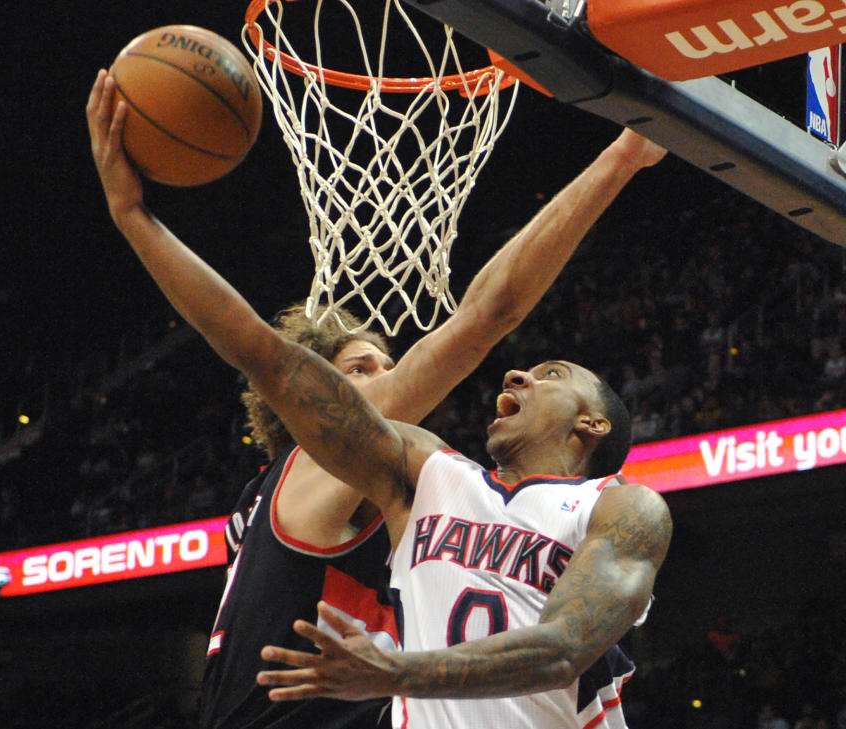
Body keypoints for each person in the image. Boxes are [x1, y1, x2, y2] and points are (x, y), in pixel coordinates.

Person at [87, 68, 668, 729]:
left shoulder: (609, 505)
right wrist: (134, 219)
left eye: (551, 373)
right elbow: (264, 350)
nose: (388, 382)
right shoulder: (406, 470)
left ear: (591, 422)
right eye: (360, 369)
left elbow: (562, 647)